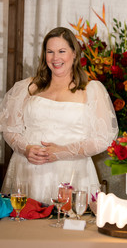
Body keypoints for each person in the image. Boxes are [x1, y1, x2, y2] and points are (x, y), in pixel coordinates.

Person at [0, 27, 119, 204]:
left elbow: (103, 139)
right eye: (50, 52)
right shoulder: (27, 87)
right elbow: (9, 129)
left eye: (62, 51)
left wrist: (61, 152)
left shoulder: (92, 90)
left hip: (73, 174)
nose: (56, 58)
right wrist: (26, 149)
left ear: (74, 53)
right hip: (27, 171)